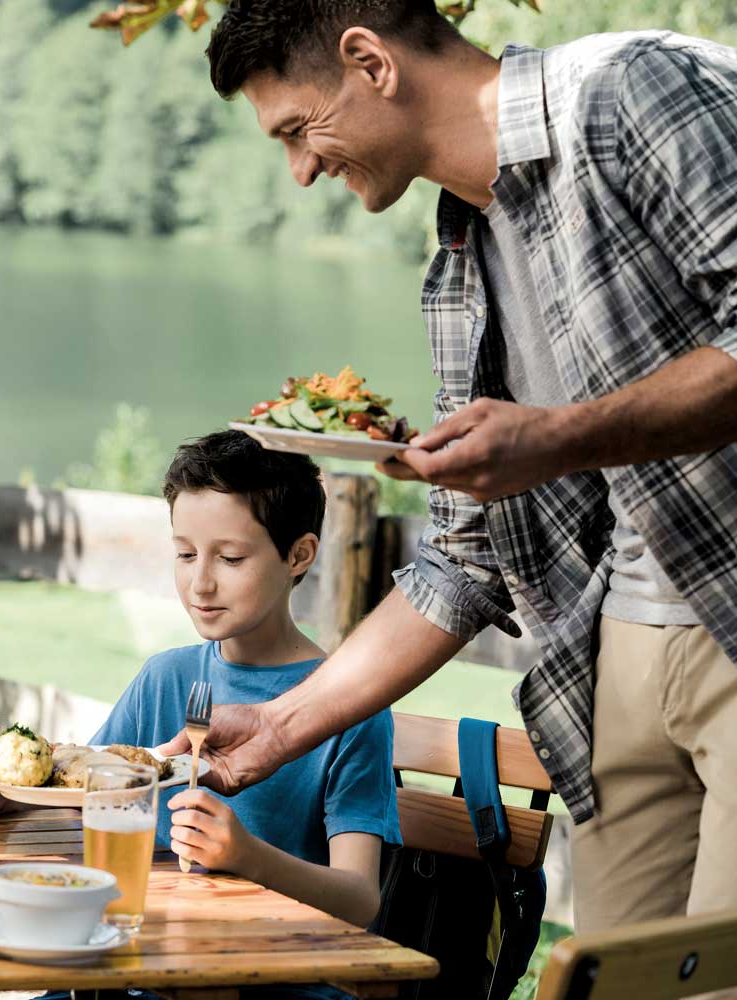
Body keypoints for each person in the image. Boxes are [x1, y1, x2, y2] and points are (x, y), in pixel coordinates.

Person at [167, 1, 737, 932]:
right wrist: (281, 726)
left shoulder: (633, 89)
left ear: (370, 61)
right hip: (616, 660)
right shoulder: (458, 268)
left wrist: (558, 436)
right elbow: (461, 563)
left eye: (299, 130)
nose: (301, 170)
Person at [92, 430, 398, 949]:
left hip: (280, 975)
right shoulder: (164, 678)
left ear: (299, 555)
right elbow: (80, 788)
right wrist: (10, 798)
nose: (201, 584)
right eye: (186, 555)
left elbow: (360, 900)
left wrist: (248, 857)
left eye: (230, 559)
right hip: (152, 958)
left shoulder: (348, 706)